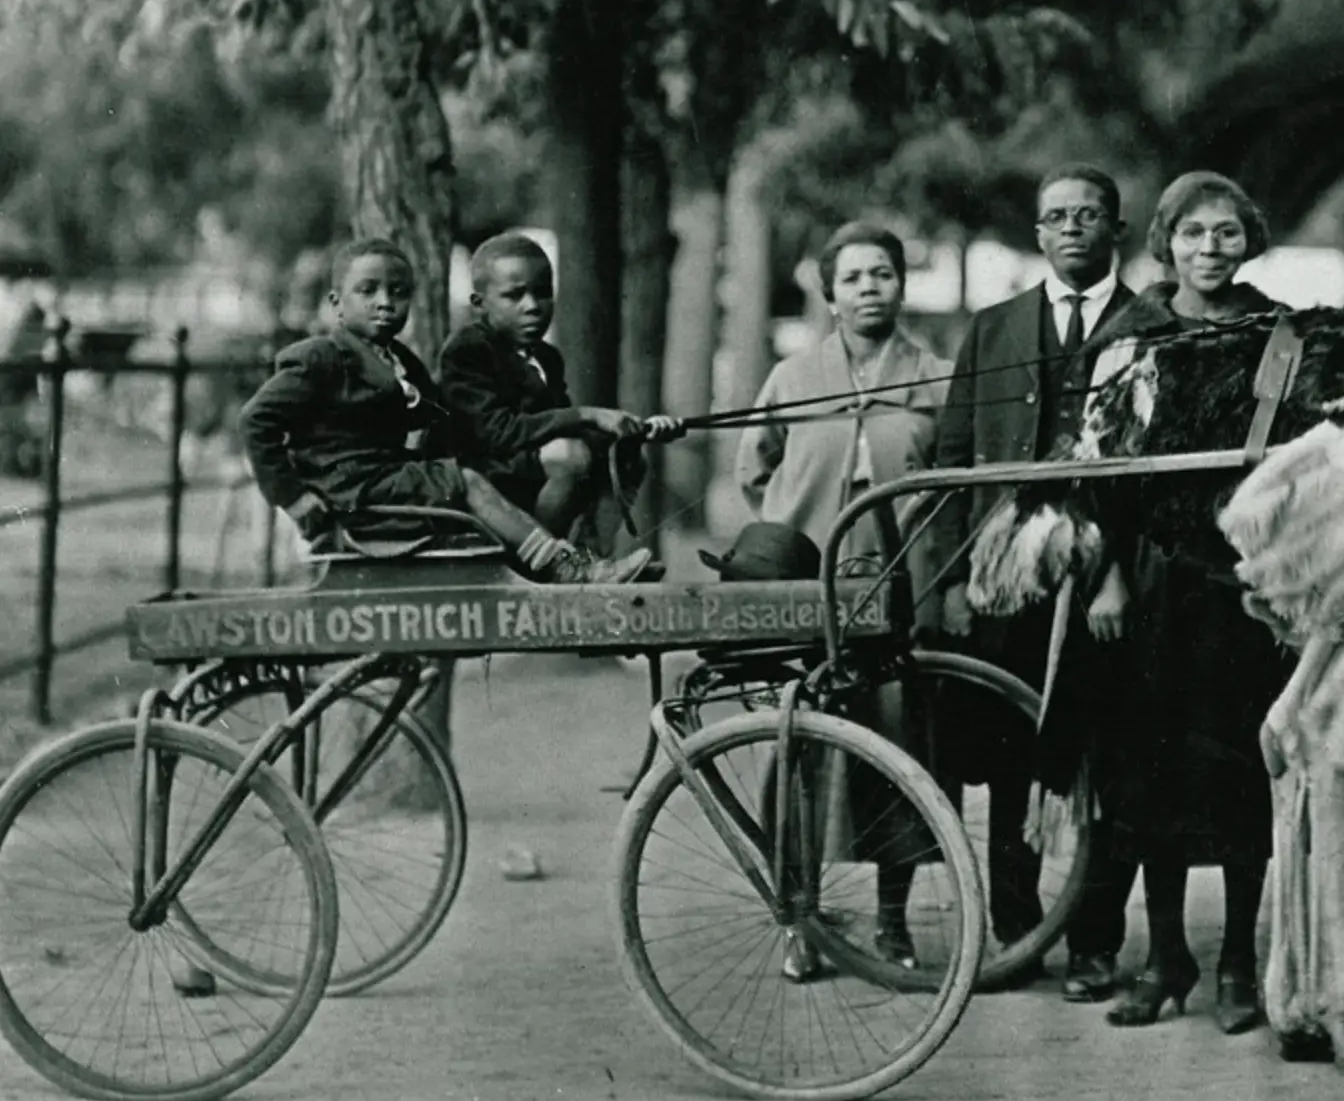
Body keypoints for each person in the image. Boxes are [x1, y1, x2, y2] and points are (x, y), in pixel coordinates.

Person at [1080, 170, 1287, 1035]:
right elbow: (1095, 461)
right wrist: (1109, 575)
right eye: (1194, 233)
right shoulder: (1132, 332)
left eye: (1227, 233)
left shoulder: (1275, 333)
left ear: (1248, 240)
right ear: (1166, 242)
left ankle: (1239, 960)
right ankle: (1167, 957)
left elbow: (1295, 458)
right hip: (1153, 581)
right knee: (1150, 777)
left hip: (1241, 587)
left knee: (1239, 775)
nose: (1211, 249)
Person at [930, 163, 1137, 998]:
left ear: (1116, 230)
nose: (1074, 228)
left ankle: (1093, 943)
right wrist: (951, 575)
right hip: (1005, 578)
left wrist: (1119, 568)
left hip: (1111, 580)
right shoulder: (995, 327)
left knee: (1105, 759)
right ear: (1038, 233)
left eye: (1091, 214)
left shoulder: (1150, 322)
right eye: (1058, 217)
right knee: (1011, 756)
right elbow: (949, 456)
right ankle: (1017, 935)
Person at [735, 221, 951, 977]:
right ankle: (801, 919)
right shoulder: (793, 379)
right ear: (830, 296)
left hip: (902, 588)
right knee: (804, 755)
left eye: (882, 274)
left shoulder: (935, 377)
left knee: (900, 752)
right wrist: (799, 526)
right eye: (853, 278)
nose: (869, 289)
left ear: (901, 285)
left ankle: (894, 923)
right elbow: (754, 470)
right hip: (810, 592)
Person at [240, 237, 651, 585]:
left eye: (398, 293)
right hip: (354, 489)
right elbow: (256, 421)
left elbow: (441, 421)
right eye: (368, 291)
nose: (385, 303)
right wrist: (294, 499)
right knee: (466, 482)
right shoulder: (321, 357)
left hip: (394, 480)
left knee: (471, 476)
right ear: (337, 302)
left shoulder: (401, 362)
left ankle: (579, 554)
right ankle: (563, 566)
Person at [440, 233, 682, 548]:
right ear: (479, 304)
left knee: (624, 456)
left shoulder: (546, 357)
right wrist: (587, 415)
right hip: (484, 482)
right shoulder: (468, 349)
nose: (532, 307)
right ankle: (542, 564)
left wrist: (637, 431)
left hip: (528, 473)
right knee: (569, 457)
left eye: (542, 293)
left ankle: (591, 551)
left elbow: (566, 425)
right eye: (514, 296)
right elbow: (498, 432)